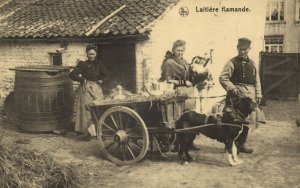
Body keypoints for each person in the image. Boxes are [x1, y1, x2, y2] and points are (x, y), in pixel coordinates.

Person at [219, 38, 262, 153]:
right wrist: (232, 88)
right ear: (237, 48)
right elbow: (223, 78)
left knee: (247, 122)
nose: (243, 52)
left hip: (249, 97)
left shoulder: (252, 64)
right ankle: (229, 145)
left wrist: (258, 95)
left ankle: (241, 144)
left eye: (245, 49)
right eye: (241, 49)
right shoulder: (231, 63)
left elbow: (256, 80)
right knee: (232, 121)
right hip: (235, 98)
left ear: (249, 49)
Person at [160, 39, 200, 150]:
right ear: (173, 50)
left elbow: (189, 74)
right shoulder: (169, 62)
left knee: (192, 117)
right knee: (181, 119)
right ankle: (178, 144)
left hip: (189, 92)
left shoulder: (184, 61)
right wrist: (183, 82)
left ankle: (190, 142)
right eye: (178, 50)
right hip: (179, 92)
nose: (180, 52)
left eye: (182, 50)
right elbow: (169, 80)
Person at [70, 44, 110, 141]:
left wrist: (102, 80)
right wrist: (82, 79)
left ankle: (98, 132)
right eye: (90, 54)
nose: (91, 56)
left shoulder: (99, 64)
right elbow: (72, 74)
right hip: (86, 89)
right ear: (87, 54)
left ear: (96, 54)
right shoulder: (83, 64)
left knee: (97, 110)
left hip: (96, 89)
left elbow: (107, 75)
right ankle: (89, 133)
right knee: (87, 111)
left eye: (93, 54)